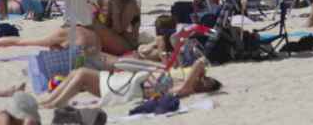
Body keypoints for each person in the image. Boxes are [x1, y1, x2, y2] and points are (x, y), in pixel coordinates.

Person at [39, 57, 219, 109]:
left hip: (123, 89)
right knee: (76, 73)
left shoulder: (185, 89)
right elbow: (198, 65)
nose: (202, 79)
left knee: (82, 75)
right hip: (123, 81)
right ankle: (48, 101)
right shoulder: (182, 83)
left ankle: (55, 103)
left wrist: (200, 72)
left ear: (204, 87)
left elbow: (199, 63)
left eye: (205, 81)